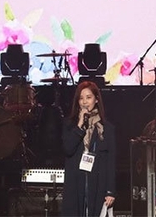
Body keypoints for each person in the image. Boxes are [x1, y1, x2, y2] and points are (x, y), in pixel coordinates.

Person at [62, 81, 116, 217]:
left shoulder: (106, 128)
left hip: (98, 183)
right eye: (81, 98)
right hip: (76, 183)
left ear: (96, 99)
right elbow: (68, 149)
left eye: (88, 97)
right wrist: (80, 126)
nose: (84, 102)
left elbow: (111, 161)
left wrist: (110, 191)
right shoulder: (70, 125)